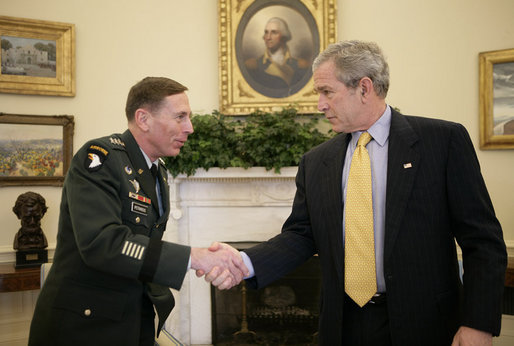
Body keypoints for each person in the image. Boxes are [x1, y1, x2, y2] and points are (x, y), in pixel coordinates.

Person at [205, 41, 507, 345]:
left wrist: (478, 323)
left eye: (327, 92)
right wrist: (245, 262)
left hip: (427, 324)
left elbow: (482, 241)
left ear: (364, 88)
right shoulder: (316, 162)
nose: (320, 104)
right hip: (343, 325)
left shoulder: (442, 142)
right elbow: (300, 235)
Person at [28, 77, 248, 346]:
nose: (189, 128)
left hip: (131, 319)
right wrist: (193, 257)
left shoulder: (157, 171)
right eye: (180, 117)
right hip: (84, 326)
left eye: (188, 117)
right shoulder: (100, 159)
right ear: (143, 119)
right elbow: (102, 243)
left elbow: (143, 246)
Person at [244, 17, 310, 98]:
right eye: (266, 32)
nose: (268, 37)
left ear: (283, 36)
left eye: (274, 32)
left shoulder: (300, 65)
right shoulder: (253, 66)